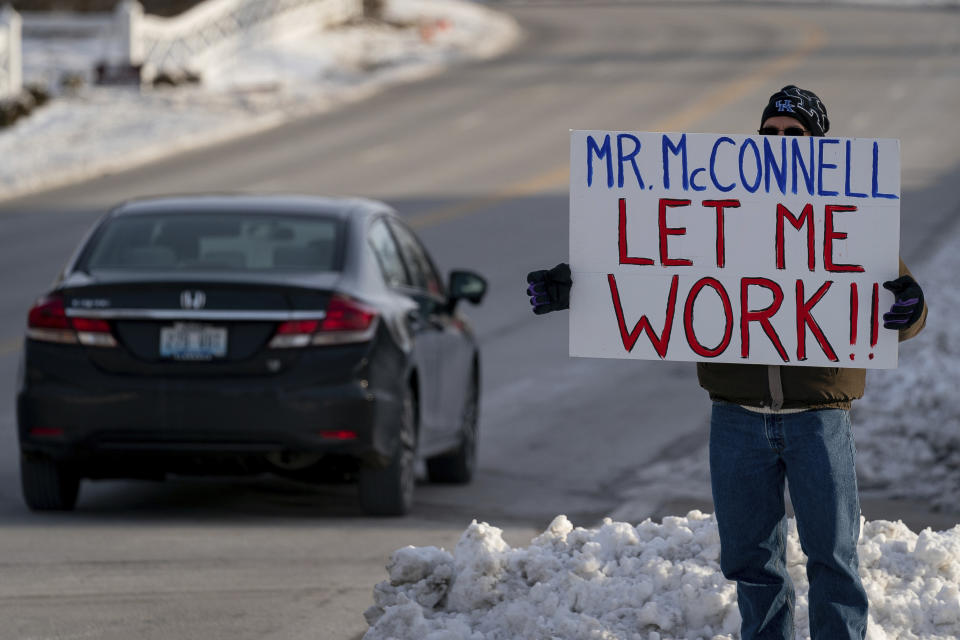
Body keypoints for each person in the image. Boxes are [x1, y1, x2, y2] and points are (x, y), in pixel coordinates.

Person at [525, 85, 927, 640]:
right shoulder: (726, 211)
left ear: (821, 146)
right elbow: (649, 263)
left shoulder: (850, 213)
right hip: (736, 418)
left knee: (833, 560)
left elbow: (896, 303)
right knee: (750, 562)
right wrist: (580, 288)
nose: (782, 143)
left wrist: (911, 305)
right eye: (773, 132)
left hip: (819, 417)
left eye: (797, 134)